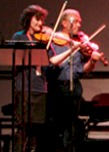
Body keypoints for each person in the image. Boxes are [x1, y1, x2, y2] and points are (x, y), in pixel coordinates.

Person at [45, 9, 105, 151]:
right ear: (64, 23)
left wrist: (92, 61)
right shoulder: (53, 42)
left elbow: (82, 70)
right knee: (56, 126)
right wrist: (71, 49)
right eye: (75, 21)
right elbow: (52, 62)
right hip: (57, 88)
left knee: (72, 126)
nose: (79, 25)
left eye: (80, 22)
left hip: (74, 88)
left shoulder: (78, 43)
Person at [10, 4, 50, 152]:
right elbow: (16, 60)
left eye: (42, 21)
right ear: (28, 19)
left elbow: (49, 62)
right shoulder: (19, 36)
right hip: (24, 87)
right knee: (23, 127)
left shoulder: (42, 40)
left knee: (37, 129)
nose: (40, 24)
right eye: (37, 19)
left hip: (40, 87)